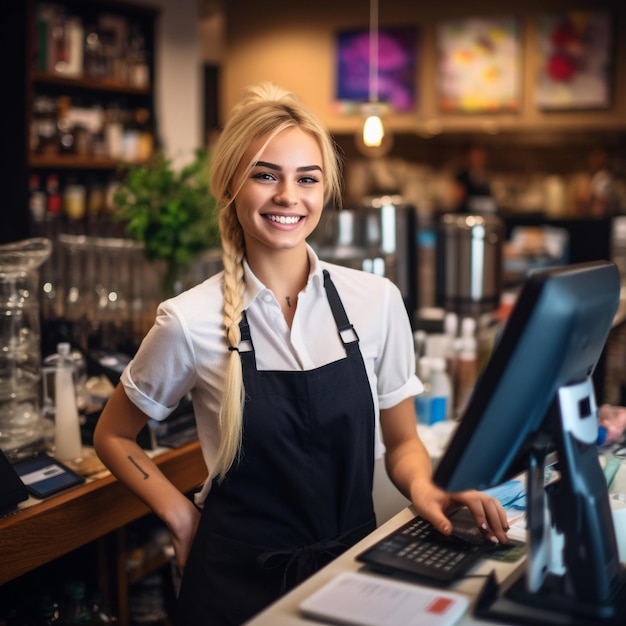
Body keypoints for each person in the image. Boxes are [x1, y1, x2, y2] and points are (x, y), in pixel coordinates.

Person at [93, 83, 509, 626]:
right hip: (230, 586)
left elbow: (403, 442)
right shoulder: (188, 320)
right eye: (266, 175)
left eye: (307, 178)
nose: (288, 195)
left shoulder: (375, 302)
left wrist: (428, 490)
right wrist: (180, 516)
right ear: (229, 186)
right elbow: (113, 435)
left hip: (352, 572)